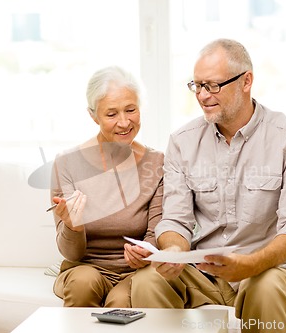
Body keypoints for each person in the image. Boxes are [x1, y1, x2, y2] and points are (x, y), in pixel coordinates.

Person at [131, 38, 286, 333]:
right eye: (197, 85)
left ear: (246, 81)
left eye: (213, 85)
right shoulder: (182, 141)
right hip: (203, 274)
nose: (203, 95)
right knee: (147, 281)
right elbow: (175, 219)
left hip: (267, 271)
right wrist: (173, 253)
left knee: (267, 287)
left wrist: (251, 265)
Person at [50, 66, 164, 307]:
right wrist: (73, 225)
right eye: (111, 114)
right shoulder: (67, 163)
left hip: (135, 272)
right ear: (93, 116)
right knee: (83, 284)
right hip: (84, 267)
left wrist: (146, 251)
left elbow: (156, 233)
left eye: (131, 110)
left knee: (121, 301)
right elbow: (71, 253)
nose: (124, 122)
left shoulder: (157, 163)